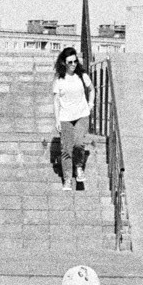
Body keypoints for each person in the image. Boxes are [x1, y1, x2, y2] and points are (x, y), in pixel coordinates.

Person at [50, 47, 93, 192]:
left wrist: (90, 104)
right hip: (65, 117)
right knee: (66, 149)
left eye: (75, 61)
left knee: (79, 144)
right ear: (64, 63)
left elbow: (92, 89)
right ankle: (67, 179)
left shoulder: (82, 75)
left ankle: (79, 166)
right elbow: (56, 100)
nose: (73, 64)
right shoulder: (59, 78)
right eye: (70, 62)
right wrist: (57, 120)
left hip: (81, 115)